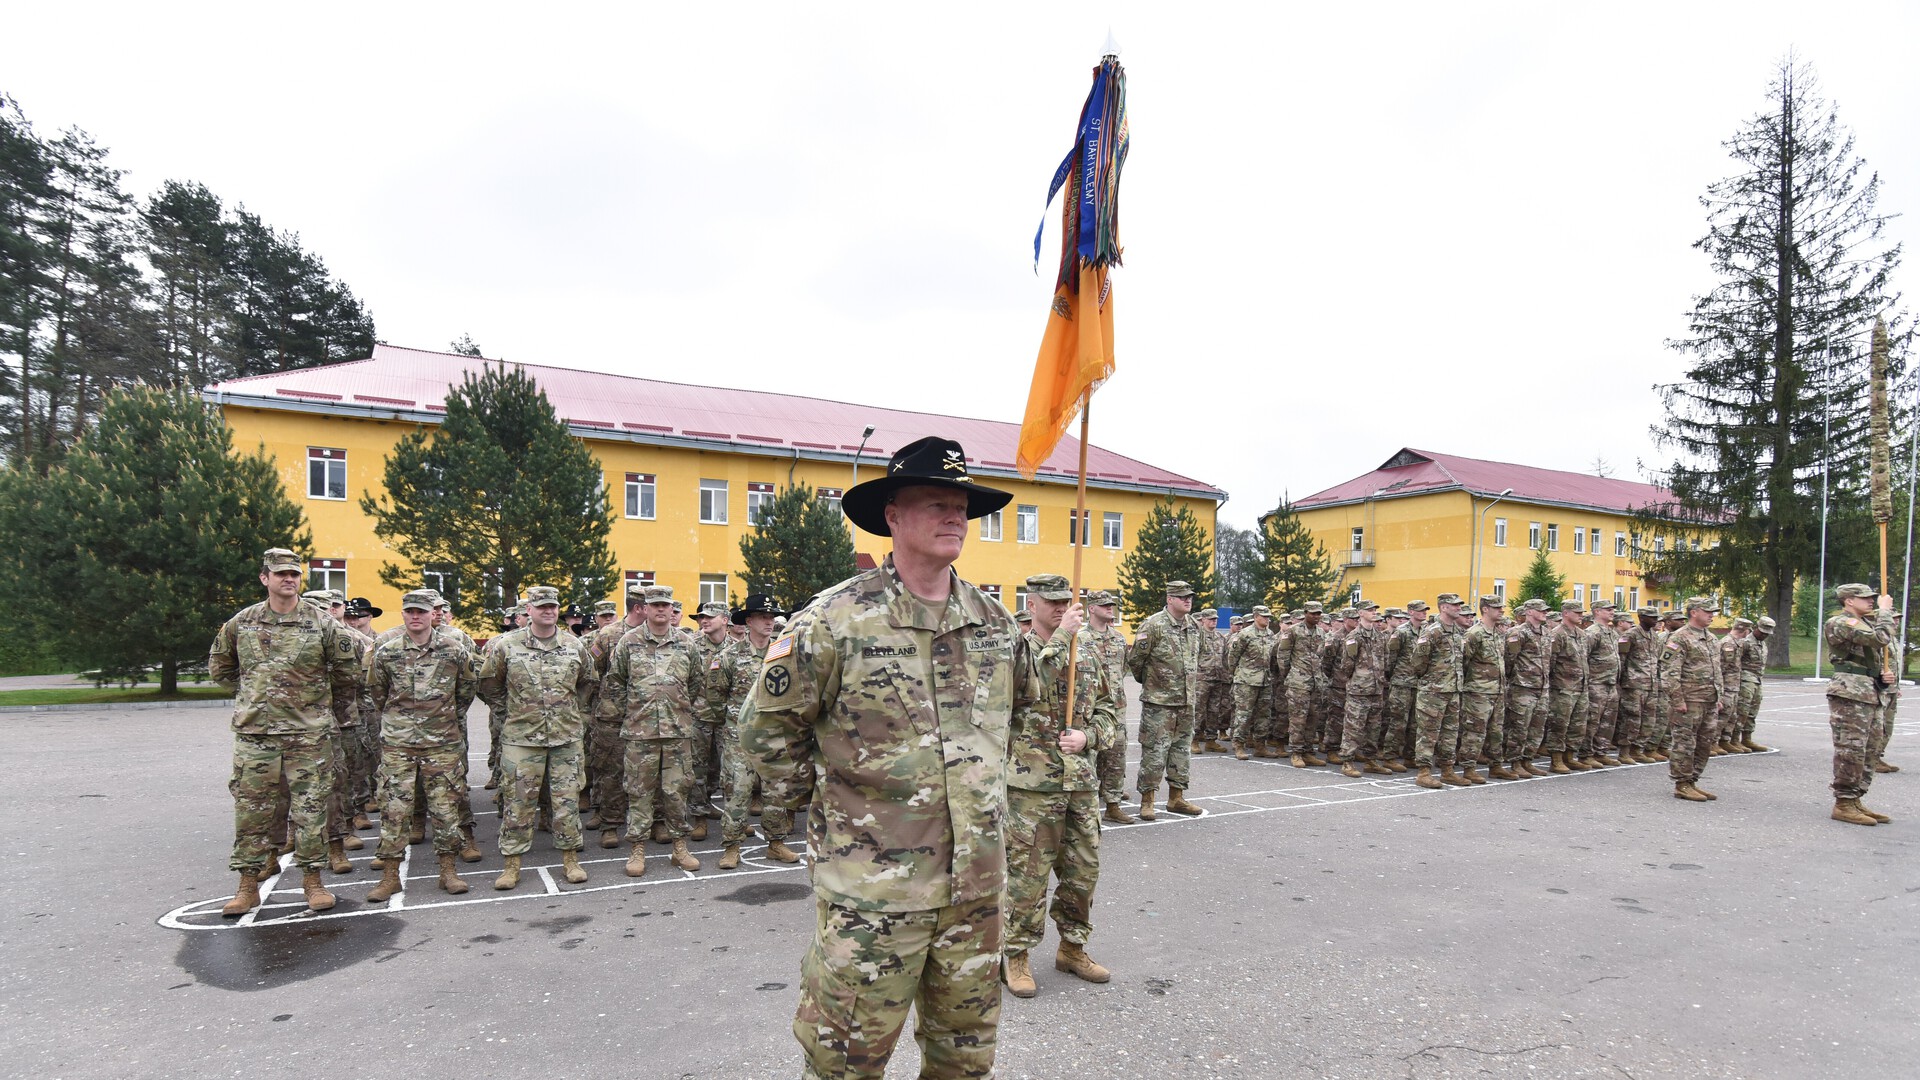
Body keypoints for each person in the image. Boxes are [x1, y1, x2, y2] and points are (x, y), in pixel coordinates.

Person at [742, 435, 1017, 1080]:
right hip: (873, 896)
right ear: (892, 515)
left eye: (961, 505)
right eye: (934, 502)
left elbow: (1019, 721)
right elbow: (766, 737)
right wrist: (843, 822)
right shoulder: (835, 621)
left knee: (965, 1060)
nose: (954, 516)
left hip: (975, 892)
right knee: (846, 1065)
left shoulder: (993, 623)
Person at [208, 548, 360, 916]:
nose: (288, 579)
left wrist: (317, 709)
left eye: (294, 573)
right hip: (256, 737)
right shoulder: (241, 623)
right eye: (280, 574)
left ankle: (313, 881)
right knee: (252, 812)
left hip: (308, 737)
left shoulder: (322, 623)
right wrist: (254, 697)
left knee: (311, 812)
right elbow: (220, 667)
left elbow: (346, 673)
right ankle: (247, 885)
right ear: (265, 579)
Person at [1002, 573, 1119, 999]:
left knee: (1082, 872)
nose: (1059, 607)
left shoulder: (1086, 650)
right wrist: (1061, 637)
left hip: (1081, 783)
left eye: (1065, 601)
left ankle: (1072, 947)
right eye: (1049, 601)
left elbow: (1109, 708)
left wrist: (1090, 737)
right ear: (1030, 605)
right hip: (1032, 785)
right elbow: (1022, 690)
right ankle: (1015, 955)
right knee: (1027, 877)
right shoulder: (1016, 649)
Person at [476, 585, 597, 888]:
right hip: (521, 739)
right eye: (541, 606)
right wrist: (514, 714)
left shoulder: (574, 646)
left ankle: (570, 860)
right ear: (528, 611)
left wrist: (574, 713)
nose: (548, 611)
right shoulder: (506, 646)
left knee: (566, 802)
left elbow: (587, 683)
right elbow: (490, 685)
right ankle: (511, 865)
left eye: (553, 606)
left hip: (565, 738)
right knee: (518, 803)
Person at [364, 590, 478, 899]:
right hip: (398, 745)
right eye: (410, 611)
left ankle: (448, 871)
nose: (416, 616)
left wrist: (443, 719)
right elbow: (378, 692)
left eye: (422, 611)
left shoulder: (454, 651)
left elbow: (466, 691)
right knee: (394, 810)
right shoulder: (386, 652)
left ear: (433, 614)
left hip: (442, 743)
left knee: (445, 810)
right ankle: (390, 876)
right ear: (402, 614)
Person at [603, 585, 710, 876]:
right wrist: (634, 713)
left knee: (677, 791)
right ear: (645, 608)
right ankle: (637, 850)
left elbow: (696, 682)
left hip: (677, 732)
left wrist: (679, 709)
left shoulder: (687, 644)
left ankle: (679, 847)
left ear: (672, 609)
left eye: (666, 605)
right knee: (639, 791)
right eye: (655, 605)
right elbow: (616, 683)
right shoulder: (628, 642)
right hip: (641, 733)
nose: (661, 610)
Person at [709, 592, 800, 869]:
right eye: (762, 616)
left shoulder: (783, 652)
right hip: (739, 737)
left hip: (774, 735)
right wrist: (732, 725)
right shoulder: (729, 656)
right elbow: (715, 696)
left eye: (772, 617)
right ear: (748, 621)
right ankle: (732, 847)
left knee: (775, 793)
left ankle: (776, 843)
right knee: (738, 792)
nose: (769, 622)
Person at [1127, 580, 1204, 819]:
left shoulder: (1193, 626)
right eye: (1182, 597)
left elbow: (1195, 658)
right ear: (1170, 599)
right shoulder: (1153, 626)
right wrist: (1154, 685)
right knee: (1155, 753)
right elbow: (1136, 662)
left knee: (1181, 751)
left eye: (1189, 596)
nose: (1187, 600)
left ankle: (1176, 798)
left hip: (1186, 701)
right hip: (1159, 703)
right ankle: (1147, 800)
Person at [1824, 583, 1896, 825]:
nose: (1871, 601)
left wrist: (1881, 677)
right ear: (1848, 601)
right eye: (1864, 598)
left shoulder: (1864, 623)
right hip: (1850, 693)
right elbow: (1880, 639)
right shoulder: (1841, 622)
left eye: (1873, 598)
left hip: (1869, 690)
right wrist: (1885, 612)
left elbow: (1868, 657)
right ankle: (1843, 802)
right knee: (1851, 749)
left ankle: (1855, 798)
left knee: (1870, 748)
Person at [1666, 596, 1728, 803]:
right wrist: (1677, 700)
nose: (1712, 615)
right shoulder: (1679, 637)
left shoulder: (1711, 638)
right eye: (1707, 611)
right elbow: (1669, 671)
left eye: (1713, 612)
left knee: (1704, 743)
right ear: (1694, 612)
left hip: (1708, 700)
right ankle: (1681, 783)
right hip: (1689, 700)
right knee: (1685, 743)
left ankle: (1692, 780)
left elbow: (1716, 670)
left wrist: (1719, 696)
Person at [1406, 593, 1468, 788]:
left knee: (1450, 732)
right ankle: (1423, 772)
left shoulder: (1457, 631)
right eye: (1454, 605)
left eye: (1459, 605)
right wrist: (1432, 680)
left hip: (1453, 690)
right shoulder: (1432, 631)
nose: (1459, 608)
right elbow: (1417, 662)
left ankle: (1447, 770)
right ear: (1443, 607)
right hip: (1433, 691)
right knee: (1428, 733)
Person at [1083, 591, 1134, 823]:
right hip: (1090, 709)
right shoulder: (1080, 638)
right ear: (1091, 608)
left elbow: (1123, 669)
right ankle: (1088, 807)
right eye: (1104, 605)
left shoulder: (1119, 638)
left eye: (1111, 604)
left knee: (1116, 758)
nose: (1109, 608)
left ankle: (1113, 804)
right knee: (1090, 759)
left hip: (1116, 709)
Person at [1227, 605, 1277, 761]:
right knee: (1243, 714)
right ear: (1256, 617)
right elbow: (1232, 657)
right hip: (1246, 681)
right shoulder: (1244, 634)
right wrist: (1238, 674)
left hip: (1265, 680)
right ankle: (1238, 745)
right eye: (1264, 616)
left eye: (1269, 616)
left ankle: (1260, 746)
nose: (1267, 619)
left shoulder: (1270, 634)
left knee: (1264, 715)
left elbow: (1273, 657)